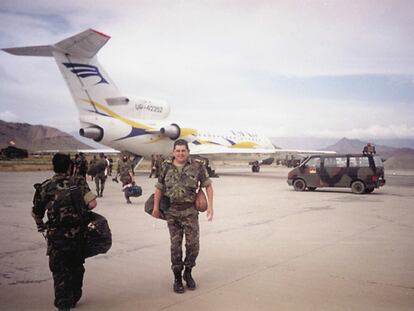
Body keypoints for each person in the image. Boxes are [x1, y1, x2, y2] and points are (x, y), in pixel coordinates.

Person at [31, 153, 97, 311]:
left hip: (56, 237)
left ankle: (63, 303)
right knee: (76, 267)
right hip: (77, 235)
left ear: (53, 166)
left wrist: (41, 226)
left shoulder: (46, 186)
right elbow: (93, 204)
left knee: (59, 271)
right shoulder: (79, 182)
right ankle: (73, 296)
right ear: (70, 167)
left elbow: (36, 213)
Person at [152, 139, 214, 294]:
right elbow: (159, 188)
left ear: (188, 152)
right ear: (173, 152)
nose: (180, 153)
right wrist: (155, 208)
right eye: (178, 151)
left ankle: (188, 271)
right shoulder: (165, 166)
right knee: (175, 247)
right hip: (172, 212)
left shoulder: (197, 166)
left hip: (190, 212)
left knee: (193, 245)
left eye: (183, 151)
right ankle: (177, 277)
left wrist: (210, 207)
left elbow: (208, 186)